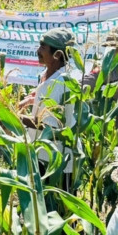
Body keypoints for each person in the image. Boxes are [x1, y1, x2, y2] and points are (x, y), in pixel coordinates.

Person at [18, 27, 77, 184]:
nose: (38, 50)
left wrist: (15, 118)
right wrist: (29, 100)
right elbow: (43, 99)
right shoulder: (47, 74)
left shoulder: (61, 82)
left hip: (57, 159)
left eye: (43, 47)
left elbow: (48, 128)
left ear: (57, 55)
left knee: (55, 203)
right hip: (42, 152)